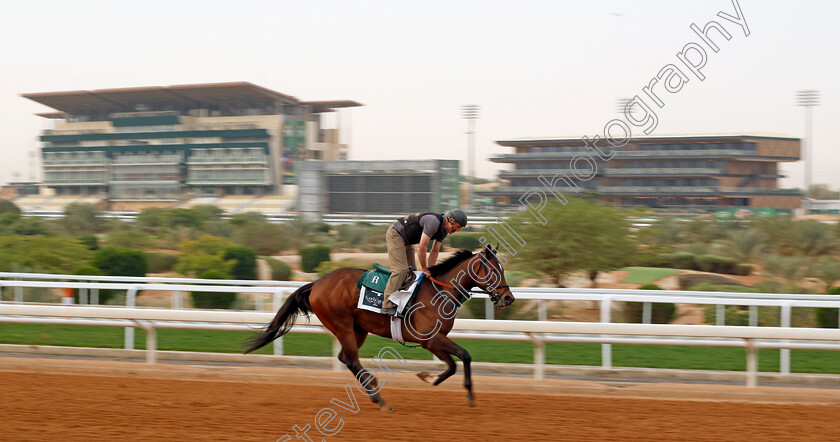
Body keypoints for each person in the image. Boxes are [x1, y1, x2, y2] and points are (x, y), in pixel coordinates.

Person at [381, 209, 467, 316]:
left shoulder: (443, 231)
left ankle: (403, 302)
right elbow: (421, 248)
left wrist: (430, 271)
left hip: (407, 240)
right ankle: (387, 305)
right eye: (458, 227)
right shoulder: (433, 222)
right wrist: (425, 269)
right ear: (451, 220)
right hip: (396, 234)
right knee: (401, 270)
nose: (457, 230)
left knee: (413, 273)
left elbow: (435, 251)